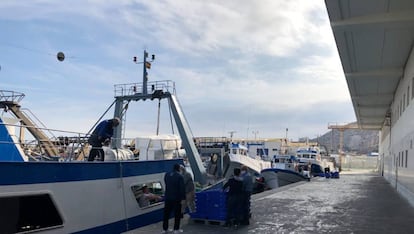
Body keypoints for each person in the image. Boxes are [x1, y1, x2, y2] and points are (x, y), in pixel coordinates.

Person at [162, 163, 185, 234]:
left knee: (166, 214)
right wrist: (183, 198)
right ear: (178, 168)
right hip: (176, 198)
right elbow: (182, 189)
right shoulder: (180, 176)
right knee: (177, 214)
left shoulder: (167, 175)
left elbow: (166, 184)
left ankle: (165, 229)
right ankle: (176, 229)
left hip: (168, 197)